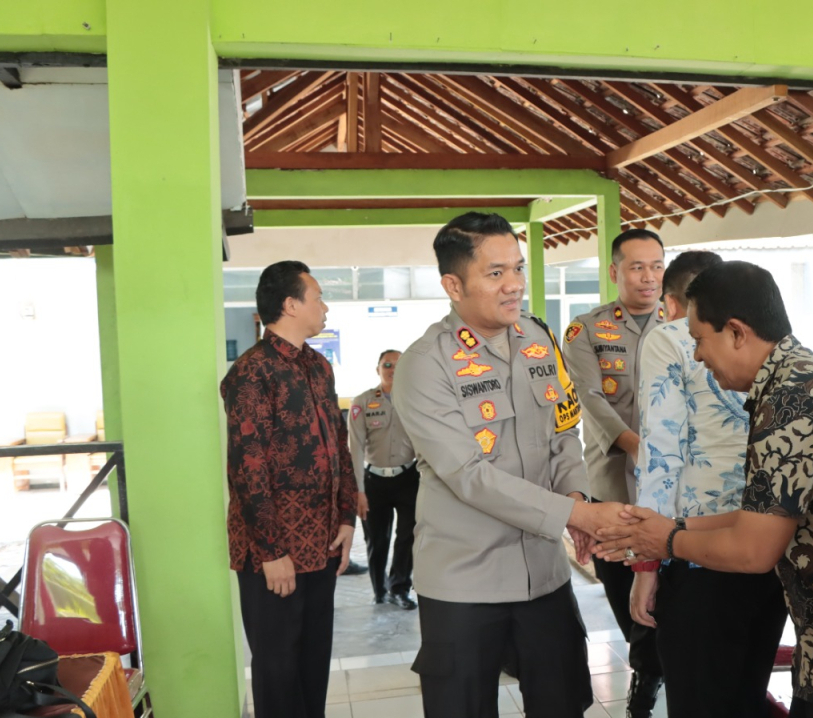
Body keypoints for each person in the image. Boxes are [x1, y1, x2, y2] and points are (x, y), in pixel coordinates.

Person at [595, 261, 813, 718]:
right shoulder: (794, 378)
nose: (696, 356)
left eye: (698, 340)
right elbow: (766, 513)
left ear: (735, 332)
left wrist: (665, 540)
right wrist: (671, 527)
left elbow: (754, 550)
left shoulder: (793, 400)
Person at [395, 211, 631, 718]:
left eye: (518, 268)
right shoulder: (425, 364)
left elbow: (563, 429)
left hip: (544, 576)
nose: (514, 285)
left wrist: (574, 497)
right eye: (496, 272)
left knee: (562, 704)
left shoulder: (539, 339)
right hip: (464, 583)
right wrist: (578, 515)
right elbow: (468, 476)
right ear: (453, 285)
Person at [626, 251, 787, 718]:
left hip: (698, 554)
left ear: (676, 301)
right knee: (747, 697)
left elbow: (661, 453)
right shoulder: (774, 345)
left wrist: (647, 564)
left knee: (698, 701)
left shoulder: (668, 340)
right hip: (769, 547)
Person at [220, 260, 357, 718]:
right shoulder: (252, 372)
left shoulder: (318, 366)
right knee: (278, 669)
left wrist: (346, 517)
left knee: (313, 662)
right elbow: (248, 467)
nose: (325, 307)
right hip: (273, 551)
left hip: (322, 540)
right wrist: (271, 550)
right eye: (318, 297)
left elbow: (339, 443)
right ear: (290, 305)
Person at [562, 228, 667, 715]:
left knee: (666, 585)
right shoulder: (586, 330)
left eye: (657, 266)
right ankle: (648, 664)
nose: (649, 277)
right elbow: (590, 399)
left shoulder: (683, 321)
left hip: (673, 487)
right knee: (621, 584)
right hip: (611, 482)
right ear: (614, 272)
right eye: (637, 267)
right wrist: (635, 445)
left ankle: (648, 677)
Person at [349, 349, 419, 609]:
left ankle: (399, 589)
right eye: (387, 365)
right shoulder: (362, 402)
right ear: (377, 369)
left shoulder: (417, 399)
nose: (392, 369)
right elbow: (355, 448)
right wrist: (358, 490)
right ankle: (379, 590)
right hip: (374, 482)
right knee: (377, 540)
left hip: (408, 478)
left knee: (407, 537)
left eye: (398, 364)